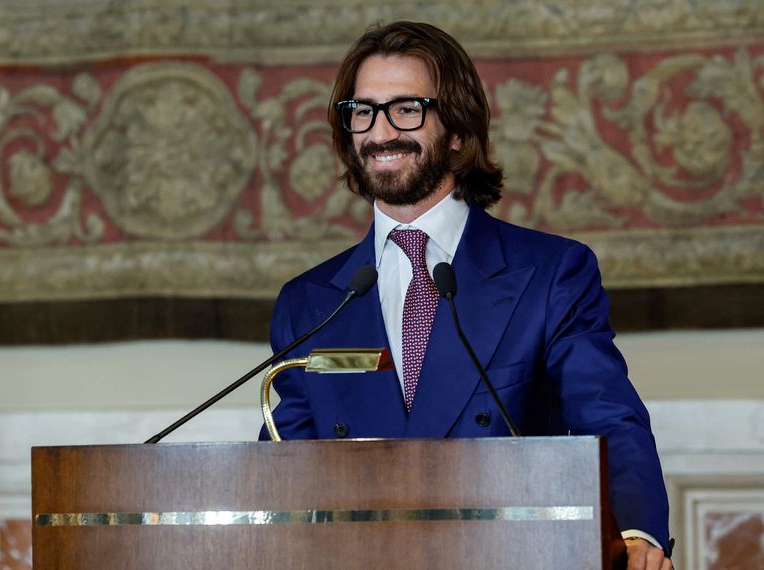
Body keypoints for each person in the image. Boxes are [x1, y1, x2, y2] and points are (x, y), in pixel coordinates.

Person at [260, 21, 672, 569]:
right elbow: (279, 478)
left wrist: (636, 532)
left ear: (456, 129)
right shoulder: (309, 303)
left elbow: (607, 417)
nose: (380, 132)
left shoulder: (551, 273)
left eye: (406, 109)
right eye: (363, 111)